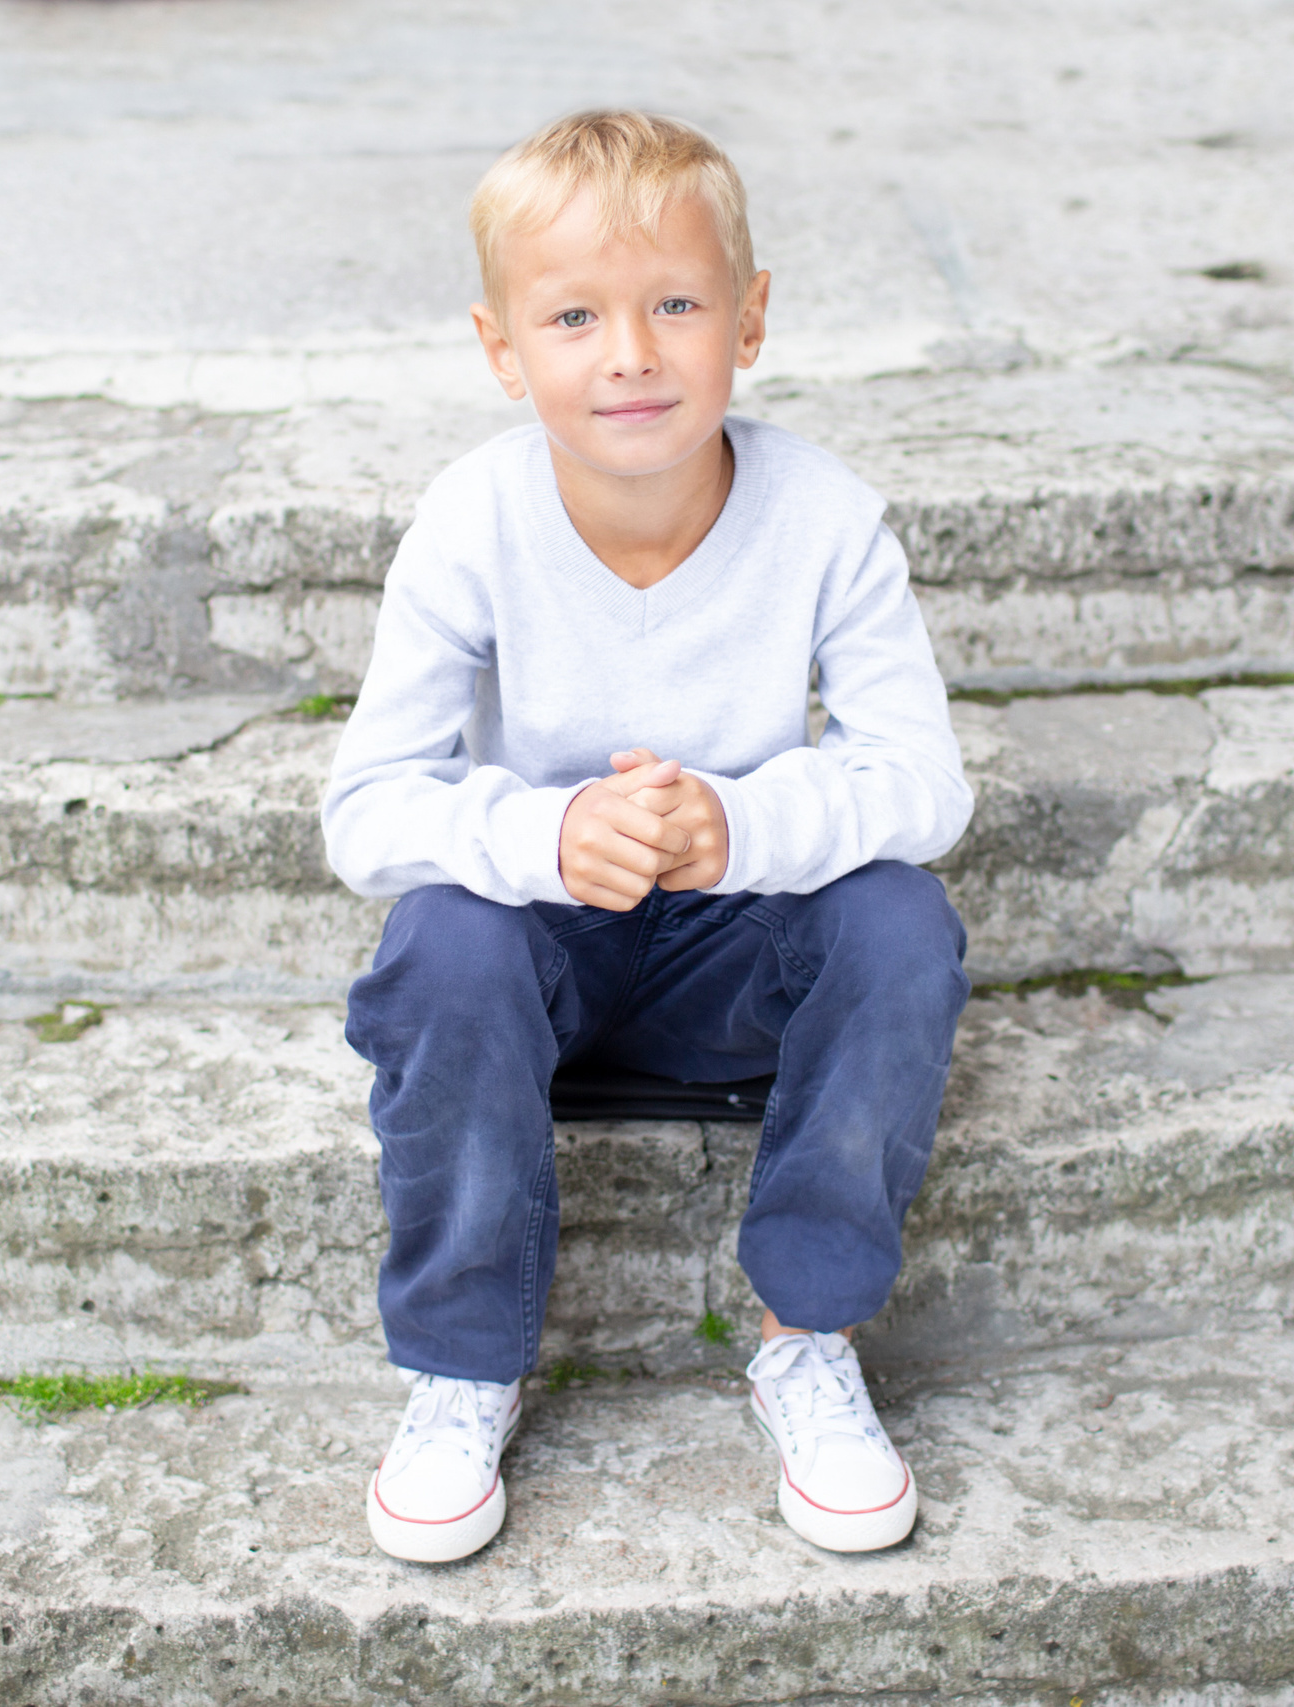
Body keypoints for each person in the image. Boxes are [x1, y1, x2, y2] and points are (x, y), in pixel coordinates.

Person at [320, 109, 974, 1565]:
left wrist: (736, 822)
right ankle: (460, 1365)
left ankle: (808, 1335)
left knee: (898, 918)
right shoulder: (471, 521)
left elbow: (925, 782)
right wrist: (550, 837)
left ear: (747, 321)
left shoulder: (825, 518)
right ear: (503, 350)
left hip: (733, 957)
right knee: (438, 935)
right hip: (540, 969)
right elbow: (369, 806)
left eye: (676, 303)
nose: (630, 352)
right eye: (575, 316)